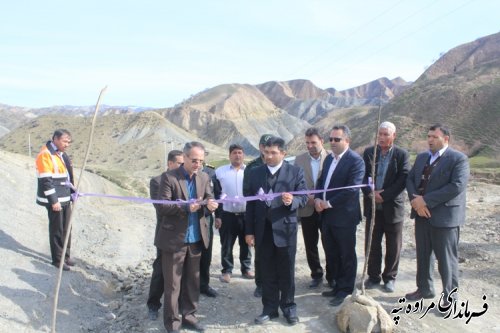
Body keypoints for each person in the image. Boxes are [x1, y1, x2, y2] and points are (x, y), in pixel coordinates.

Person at [155, 141, 219, 333]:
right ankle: (173, 324)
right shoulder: (169, 178)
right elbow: (162, 206)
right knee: (173, 285)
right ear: (184, 158)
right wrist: (184, 207)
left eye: (201, 160)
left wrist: (211, 205)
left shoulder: (204, 177)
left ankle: (189, 317)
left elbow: (209, 197)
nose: (198, 164)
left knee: (192, 282)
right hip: (174, 240)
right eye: (194, 160)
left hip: (196, 239)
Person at [245, 136, 307, 326]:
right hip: (262, 231)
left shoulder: (295, 172)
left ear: (283, 153)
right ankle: (269, 309)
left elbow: (303, 197)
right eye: (266, 152)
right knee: (267, 271)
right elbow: (250, 205)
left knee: (286, 272)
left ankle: (289, 308)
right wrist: (249, 231)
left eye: (273, 153)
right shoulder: (254, 174)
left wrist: (292, 201)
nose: (268, 156)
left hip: (285, 231)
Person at [405, 124, 469, 306]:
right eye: (428, 136)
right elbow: (410, 179)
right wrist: (415, 201)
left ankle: (450, 298)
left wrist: (425, 201)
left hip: (445, 218)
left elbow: (456, 186)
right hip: (421, 214)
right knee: (423, 255)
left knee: (446, 260)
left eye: (434, 136)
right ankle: (424, 289)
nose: (430, 140)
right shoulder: (422, 157)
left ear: (446, 139)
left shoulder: (459, 159)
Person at [315, 125, 365, 307]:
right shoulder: (329, 159)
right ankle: (336, 285)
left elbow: (352, 189)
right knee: (332, 252)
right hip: (327, 216)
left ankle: (345, 289)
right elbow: (321, 182)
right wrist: (318, 199)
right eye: (331, 139)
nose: (333, 142)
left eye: (337, 139)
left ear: (347, 141)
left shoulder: (355, 161)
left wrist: (327, 203)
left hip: (344, 216)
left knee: (346, 254)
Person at [362, 121, 410, 293]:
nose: (381, 138)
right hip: (373, 207)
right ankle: (373, 276)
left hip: (392, 208)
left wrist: (384, 195)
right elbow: (363, 176)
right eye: (380, 134)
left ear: (393, 136)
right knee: (372, 244)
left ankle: (389, 277)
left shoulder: (401, 155)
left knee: (393, 245)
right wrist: (371, 193)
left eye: (385, 134)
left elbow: (403, 179)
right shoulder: (369, 152)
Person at [147, 149, 184, 320]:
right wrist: (184, 207)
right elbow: (162, 209)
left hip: (184, 233)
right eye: (179, 163)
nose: (182, 167)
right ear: (170, 163)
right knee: (161, 270)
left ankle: (179, 306)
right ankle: (153, 304)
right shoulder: (156, 181)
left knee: (181, 271)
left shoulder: (185, 180)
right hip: (166, 233)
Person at [293, 127, 331, 289]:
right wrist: (306, 197)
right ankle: (316, 274)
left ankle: (332, 275)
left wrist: (320, 199)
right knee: (310, 243)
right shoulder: (299, 159)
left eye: (313, 142)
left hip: (327, 208)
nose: (309, 146)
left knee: (329, 242)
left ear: (321, 141)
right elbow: (294, 183)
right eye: (307, 143)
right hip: (307, 208)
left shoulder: (331, 158)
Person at [35, 129, 75, 271]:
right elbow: (46, 180)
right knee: (57, 229)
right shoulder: (45, 155)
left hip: (65, 198)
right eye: (65, 141)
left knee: (67, 228)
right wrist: (54, 201)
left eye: (68, 142)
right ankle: (58, 260)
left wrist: (73, 193)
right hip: (55, 200)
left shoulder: (61, 154)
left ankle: (66, 255)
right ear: (55, 139)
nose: (67, 144)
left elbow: (67, 177)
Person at [214, 144, 253, 283]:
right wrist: (217, 216)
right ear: (229, 155)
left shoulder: (250, 171)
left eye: (240, 152)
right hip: (227, 215)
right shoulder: (220, 172)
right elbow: (216, 195)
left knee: (246, 243)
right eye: (235, 153)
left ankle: (246, 268)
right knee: (227, 244)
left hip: (246, 215)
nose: (238, 155)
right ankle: (227, 271)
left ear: (244, 155)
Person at [243, 133, 272, 298]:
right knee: (260, 253)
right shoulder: (252, 167)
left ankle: (275, 282)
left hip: (276, 214)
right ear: (260, 147)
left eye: (270, 147)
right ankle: (260, 284)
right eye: (264, 146)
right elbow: (247, 192)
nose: (267, 150)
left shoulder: (279, 163)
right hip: (258, 214)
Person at [199, 161, 219, 298]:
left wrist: (216, 213)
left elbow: (215, 194)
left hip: (206, 219)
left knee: (206, 255)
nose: (198, 162)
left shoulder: (210, 173)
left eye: (200, 159)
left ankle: (204, 285)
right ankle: (188, 286)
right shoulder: (181, 175)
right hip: (188, 219)